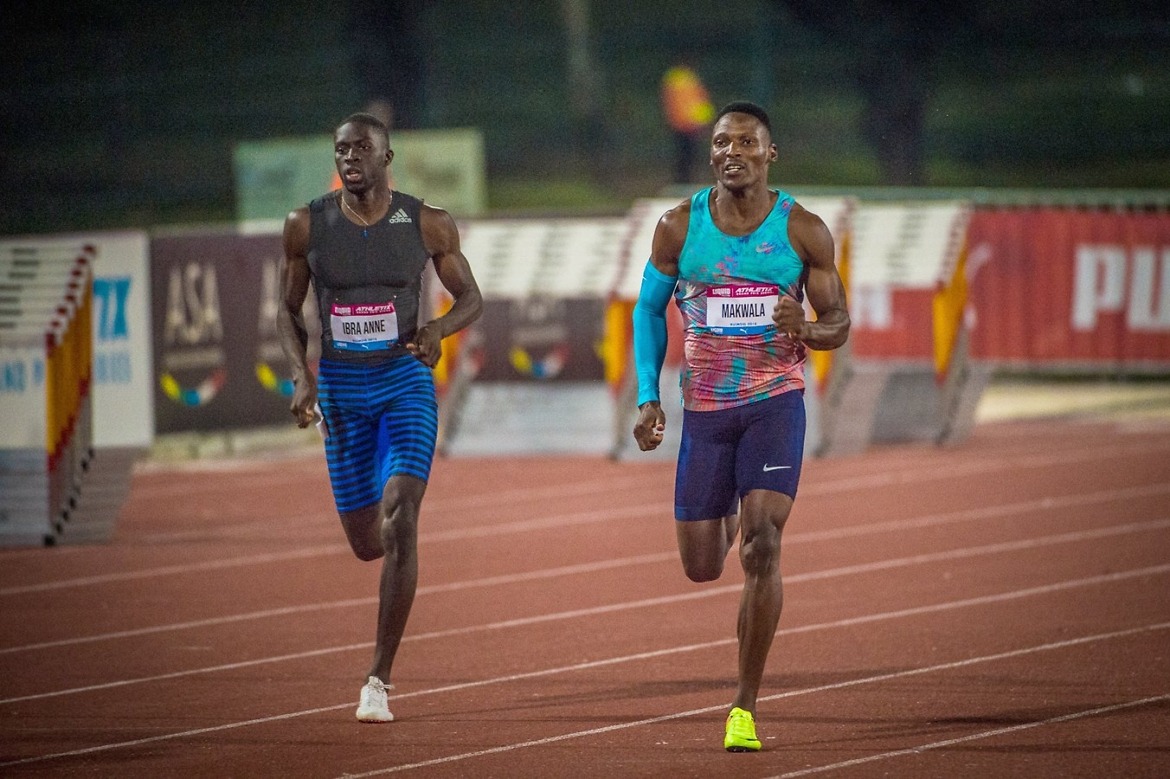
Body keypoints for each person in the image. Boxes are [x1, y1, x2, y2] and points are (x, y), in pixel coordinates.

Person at [631, 101, 850, 751]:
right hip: (704, 409)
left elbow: (838, 323)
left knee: (762, 544)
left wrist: (806, 329)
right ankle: (724, 502)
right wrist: (648, 397)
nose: (731, 152)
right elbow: (647, 311)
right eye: (721, 142)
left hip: (773, 403)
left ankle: (744, 705)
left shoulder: (803, 231)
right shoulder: (678, 227)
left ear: (769, 154)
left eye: (745, 143)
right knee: (702, 565)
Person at [278, 112, 483, 723]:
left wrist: (438, 329)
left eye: (362, 148)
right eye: (342, 149)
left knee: (401, 518)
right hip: (341, 390)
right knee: (368, 542)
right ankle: (382, 644)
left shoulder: (426, 222)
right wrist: (300, 376)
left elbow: (470, 297)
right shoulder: (305, 225)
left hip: (403, 383)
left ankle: (378, 679)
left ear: (386, 159)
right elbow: (287, 312)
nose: (350, 157)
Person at [660, 61, 715, 184]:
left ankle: (685, 182)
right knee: (685, 157)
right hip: (685, 125)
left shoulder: (684, 78)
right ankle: (683, 182)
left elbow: (698, 103)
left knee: (688, 157)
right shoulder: (682, 79)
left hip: (688, 124)